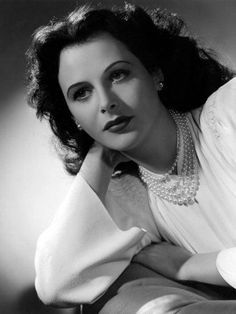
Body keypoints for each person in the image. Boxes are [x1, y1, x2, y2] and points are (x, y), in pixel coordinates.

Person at [27, 2, 236, 313]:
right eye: (82, 93)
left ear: (155, 74)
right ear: (73, 117)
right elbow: (57, 283)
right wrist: (100, 158)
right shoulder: (131, 200)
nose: (106, 103)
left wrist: (192, 266)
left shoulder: (228, 113)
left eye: (118, 75)